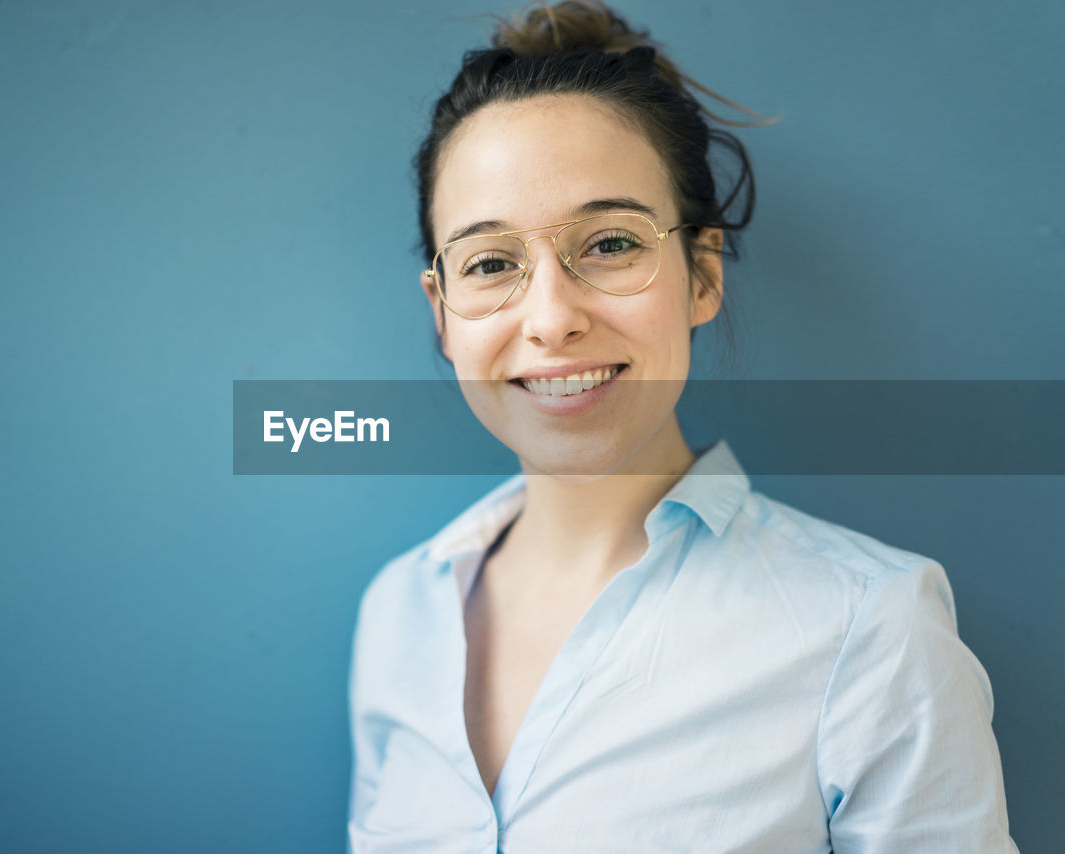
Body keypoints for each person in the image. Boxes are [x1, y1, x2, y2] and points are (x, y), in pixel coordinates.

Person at [346, 2, 1018, 851]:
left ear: (702, 276)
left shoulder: (871, 627)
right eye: (490, 263)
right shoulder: (397, 615)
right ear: (443, 313)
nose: (551, 319)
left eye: (611, 244)